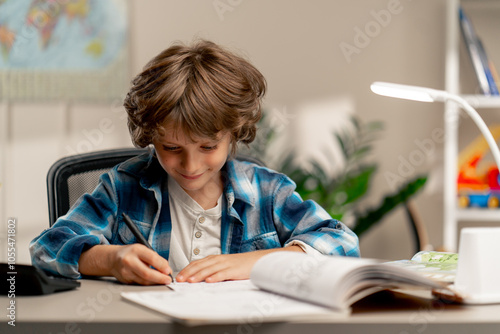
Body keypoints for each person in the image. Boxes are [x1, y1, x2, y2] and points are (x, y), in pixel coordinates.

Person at [30, 40, 359, 286]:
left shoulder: (267, 191)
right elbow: (46, 249)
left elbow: (342, 244)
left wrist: (255, 263)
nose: (190, 164)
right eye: (171, 147)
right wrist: (112, 260)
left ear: (234, 134)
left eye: (208, 146)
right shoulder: (122, 189)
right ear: (150, 136)